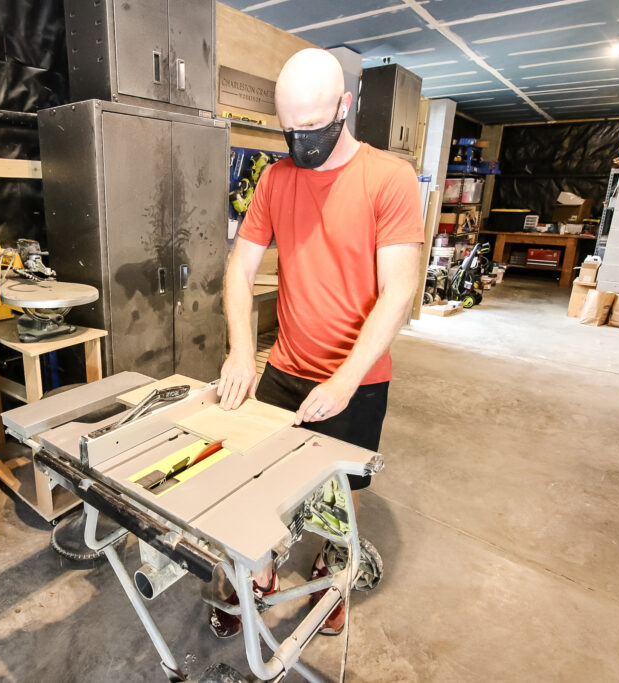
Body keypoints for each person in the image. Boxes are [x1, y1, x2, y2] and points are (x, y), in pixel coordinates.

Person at [209, 48, 424, 638]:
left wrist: (345, 380)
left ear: (344, 107)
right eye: (290, 128)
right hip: (284, 366)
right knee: (262, 481)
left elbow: (398, 293)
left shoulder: (389, 179)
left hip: (358, 377)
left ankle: (332, 573)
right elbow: (238, 270)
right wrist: (239, 351)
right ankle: (262, 569)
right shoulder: (277, 180)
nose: (300, 140)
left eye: (312, 126)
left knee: (340, 492)